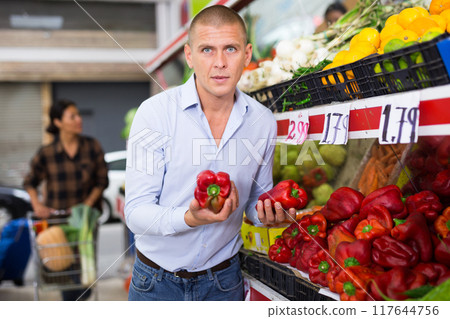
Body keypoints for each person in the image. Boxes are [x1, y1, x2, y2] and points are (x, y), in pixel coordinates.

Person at [125, 5, 296, 301]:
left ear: (246, 54)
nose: (220, 63)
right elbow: (136, 212)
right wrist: (190, 218)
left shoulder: (262, 121)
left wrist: (269, 214)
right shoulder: (155, 113)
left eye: (230, 48)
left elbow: (258, 198)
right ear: (189, 56)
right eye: (207, 50)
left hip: (223, 282)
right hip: (155, 283)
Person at [23, 99, 109, 301]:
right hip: (58, 225)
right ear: (58, 122)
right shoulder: (47, 153)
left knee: (84, 282)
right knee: (65, 277)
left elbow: (102, 180)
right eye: (73, 116)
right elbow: (29, 181)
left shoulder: (92, 146)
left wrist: (86, 206)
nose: (79, 119)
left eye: (78, 115)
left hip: (85, 224)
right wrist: (37, 205)